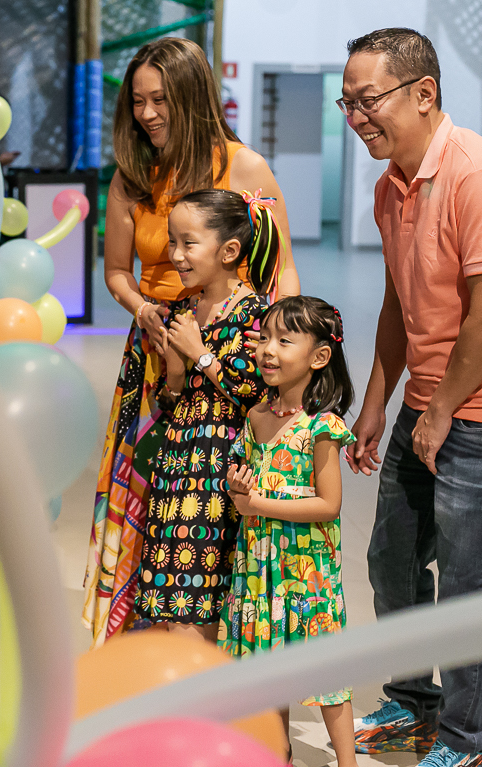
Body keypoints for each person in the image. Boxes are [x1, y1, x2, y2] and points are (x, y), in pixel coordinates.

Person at [340, 28, 482, 767]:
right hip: (434, 396)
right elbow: (402, 303)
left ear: (424, 93)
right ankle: (412, 704)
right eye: (348, 103)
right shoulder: (390, 186)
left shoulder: (481, 178)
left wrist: (438, 415)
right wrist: (379, 399)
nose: (356, 116)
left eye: (367, 100)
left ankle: (468, 742)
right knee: (392, 560)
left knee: (469, 581)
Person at [83, 36, 300, 647]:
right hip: (153, 358)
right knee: (152, 499)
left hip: (232, 358)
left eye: (160, 100)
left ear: (193, 98)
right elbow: (117, 274)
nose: (146, 114)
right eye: (137, 102)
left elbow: (281, 270)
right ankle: (144, 650)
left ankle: (233, 649)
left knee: (225, 499)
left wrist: (280, 363)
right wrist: (145, 310)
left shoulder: (246, 168)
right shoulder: (132, 178)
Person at [136, 188, 280, 641]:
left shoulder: (259, 314)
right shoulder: (182, 310)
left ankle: (209, 705)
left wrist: (200, 356)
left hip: (224, 469)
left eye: (187, 243)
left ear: (229, 250)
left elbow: (257, 397)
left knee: (210, 594)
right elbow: (171, 400)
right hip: (180, 463)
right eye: (172, 242)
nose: (175, 255)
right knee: (174, 592)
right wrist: (175, 372)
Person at [222, 295, 357, 767]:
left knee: (324, 672)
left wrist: (255, 501)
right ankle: (277, 753)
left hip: (307, 574)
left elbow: (329, 504)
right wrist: (238, 490)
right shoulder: (256, 417)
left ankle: (347, 761)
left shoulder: (322, 426)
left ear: (320, 357)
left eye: (285, 340)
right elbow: (246, 490)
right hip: (259, 567)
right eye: (264, 338)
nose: (268, 350)